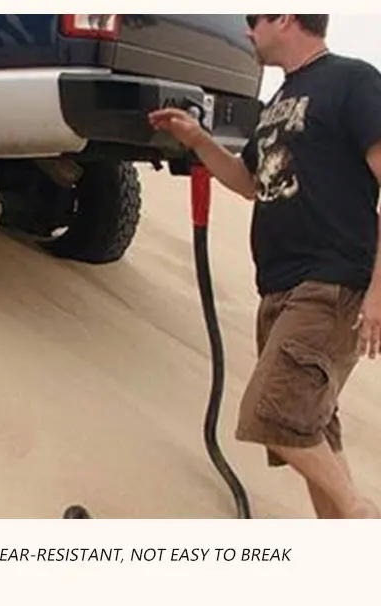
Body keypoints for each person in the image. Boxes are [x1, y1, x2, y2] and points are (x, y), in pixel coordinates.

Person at [148, 14, 381, 519]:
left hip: (331, 282)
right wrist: (199, 141)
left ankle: (362, 515)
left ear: (287, 16)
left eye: (255, 19)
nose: (248, 31)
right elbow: (251, 181)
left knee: (272, 414)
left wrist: (377, 293)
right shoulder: (279, 101)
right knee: (311, 426)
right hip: (278, 288)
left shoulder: (354, 80)